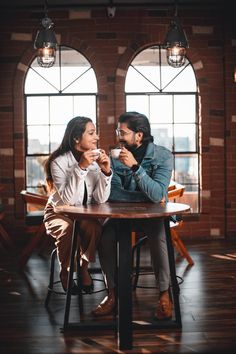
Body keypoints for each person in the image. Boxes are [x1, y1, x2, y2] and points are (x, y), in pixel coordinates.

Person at [92, 111, 173, 320]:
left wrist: (136, 168)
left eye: (123, 132)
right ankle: (112, 294)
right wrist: (148, 198)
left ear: (139, 135)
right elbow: (113, 194)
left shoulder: (163, 156)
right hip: (120, 215)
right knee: (105, 235)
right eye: (117, 130)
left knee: (159, 234)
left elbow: (157, 194)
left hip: (152, 217)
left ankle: (164, 294)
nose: (118, 135)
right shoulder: (115, 157)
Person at [43, 116, 112, 295]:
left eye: (95, 132)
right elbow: (67, 201)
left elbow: (100, 200)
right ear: (76, 138)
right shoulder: (58, 161)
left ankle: (83, 267)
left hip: (84, 213)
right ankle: (65, 272)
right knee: (67, 229)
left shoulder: (96, 158)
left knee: (94, 228)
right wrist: (81, 168)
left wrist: (105, 172)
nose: (96, 137)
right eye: (91, 133)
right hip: (59, 212)